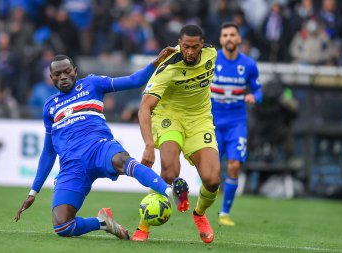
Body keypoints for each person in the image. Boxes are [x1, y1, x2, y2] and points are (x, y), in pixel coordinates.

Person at [14, 47, 190, 240]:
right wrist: (34, 191)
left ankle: (169, 191)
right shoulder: (50, 106)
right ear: (51, 77)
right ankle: (102, 222)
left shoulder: (92, 84)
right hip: (72, 165)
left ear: (75, 71)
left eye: (67, 71)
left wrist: (155, 63)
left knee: (123, 160)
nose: (63, 76)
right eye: (57, 74)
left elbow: (135, 81)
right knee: (62, 226)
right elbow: (49, 151)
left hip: (99, 147)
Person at [134, 24, 220, 244]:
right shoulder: (168, 66)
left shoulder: (212, 54)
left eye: (195, 47)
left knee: (212, 179)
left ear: (202, 45)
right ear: (179, 44)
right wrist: (148, 144)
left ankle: (199, 214)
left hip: (200, 119)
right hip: (169, 117)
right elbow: (145, 107)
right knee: (170, 172)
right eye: (186, 47)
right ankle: (143, 224)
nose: (190, 52)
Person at [211, 22, 262, 226]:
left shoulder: (249, 65)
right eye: (225, 35)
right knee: (212, 173)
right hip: (212, 122)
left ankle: (224, 213)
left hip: (236, 123)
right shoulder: (212, 60)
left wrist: (254, 97)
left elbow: (258, 90)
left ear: (239, 39)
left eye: (233, 34)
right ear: (221, 39)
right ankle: (201, 209)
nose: (229, 38)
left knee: (233, 166)